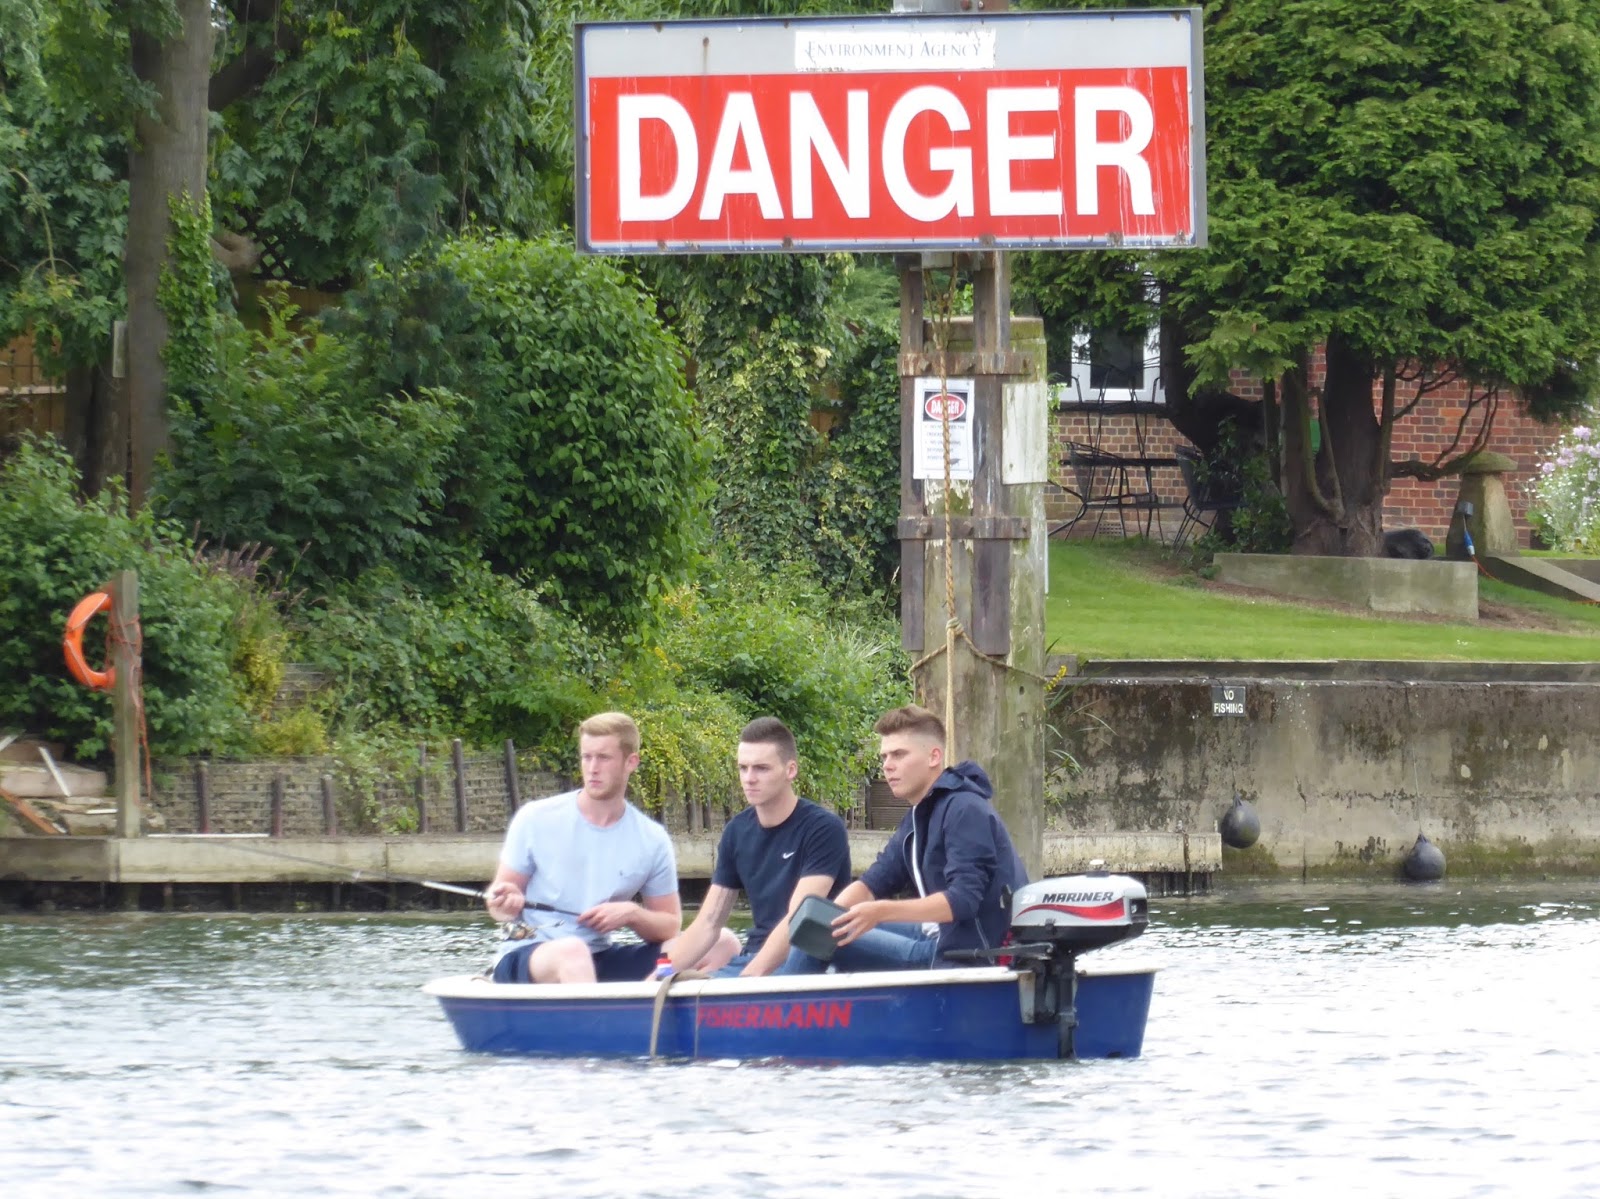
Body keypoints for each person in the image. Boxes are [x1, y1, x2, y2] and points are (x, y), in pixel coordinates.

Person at [779, 704, 1027, 974]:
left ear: (934, 757)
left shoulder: (965, 810)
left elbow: (963, 900)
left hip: (972, 954)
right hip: (939, 936)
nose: (887, 765)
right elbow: (874, 882)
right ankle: (765, 988)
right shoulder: (919, 814)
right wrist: (825, 915)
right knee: (825, 927)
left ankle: (772, 1012)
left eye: (898, 754)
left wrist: (881, 911)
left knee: (823, 940)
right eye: (884, 756)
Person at [484, 712, 682, 984]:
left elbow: (670, 925)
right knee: (572, 951)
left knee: (719, 942)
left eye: (603, 758)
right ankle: (599, 1023)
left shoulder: (653, 839)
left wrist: (631, 914)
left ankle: (650, 1013)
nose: (592, 768)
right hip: (528, 954)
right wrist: (505, 901)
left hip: (599, 956)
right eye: (586, 757)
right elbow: (498, 907)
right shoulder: (535, 818)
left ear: (630, 762)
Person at [667, 717, 852, 977]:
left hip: (808, 962)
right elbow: (708, 922)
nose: (749, 778)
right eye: (743, 768)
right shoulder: (736, 831)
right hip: (752, 958)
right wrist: (657, 978)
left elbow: (799, 918)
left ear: (790, 770)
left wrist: (748, 981)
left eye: (761, 768)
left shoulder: (823, 828)